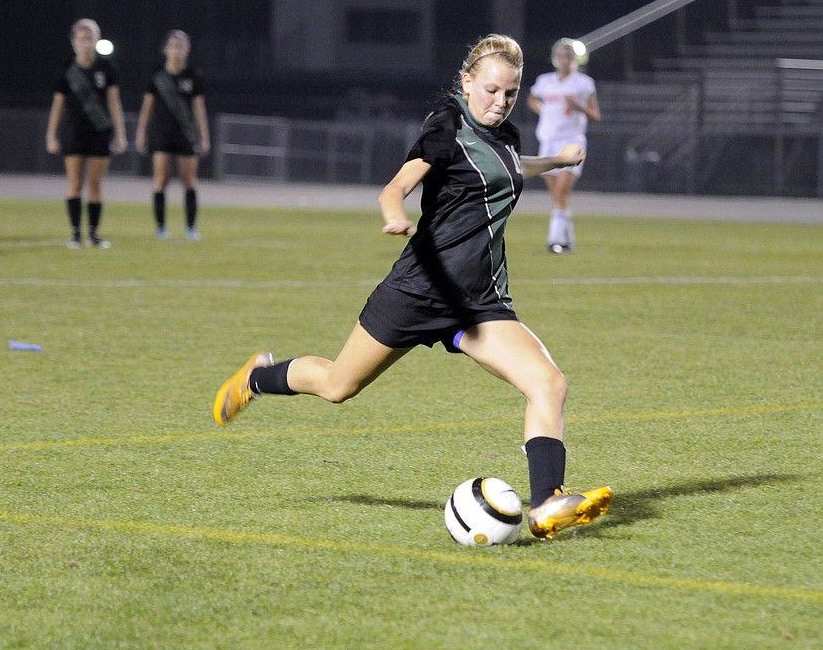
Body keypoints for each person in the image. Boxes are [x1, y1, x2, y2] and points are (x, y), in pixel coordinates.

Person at [212, 34, 612, 540]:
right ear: (467, 82)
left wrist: (556, 160)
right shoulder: (446, 126)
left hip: (478, 303)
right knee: (338, 386)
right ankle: (257, 378)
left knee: (548, 383)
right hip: (418, 291)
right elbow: (397, 186)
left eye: (510, 93)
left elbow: (510, 166)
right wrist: (393, 214)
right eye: (491, 90)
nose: (500, 102)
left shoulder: (505, 135)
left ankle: (548, 504)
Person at [45, 19, 127, 248]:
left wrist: (120, 134)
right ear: (74, 42)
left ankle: (93, 234)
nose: (87, 43)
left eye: (90, 39)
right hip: (74, 132)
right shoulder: (66, 70)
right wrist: (51, 135)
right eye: (82, 39)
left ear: (96, 40)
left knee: (95, 185)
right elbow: (57, 105)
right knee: (74, 184)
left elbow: (114, 103)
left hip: (99, 131)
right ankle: (75, 235)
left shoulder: (107, 68)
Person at [135, 29, 210, 240]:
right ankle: (160, 228)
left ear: (187, 50)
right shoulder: (157, 76)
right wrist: (141, 133)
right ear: (166, 49)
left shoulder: (193, 76)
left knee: (189, 180)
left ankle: (191, 228)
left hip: (186, 134)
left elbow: (199, 108)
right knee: (161, 180)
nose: (176, 50)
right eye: (173, 46)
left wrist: (204, 137)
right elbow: (147, 107)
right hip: (161, 133)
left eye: (181, 46)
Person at [527, 38, 600, 254]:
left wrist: (578, 106)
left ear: (575, 59)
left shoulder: (584, 83)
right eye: (562, 55)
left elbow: (595, 114)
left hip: (572, 142)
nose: (565, 59)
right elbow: (531, 99)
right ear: (555, 58)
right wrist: (545, 112)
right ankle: (567, 242)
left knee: (562, 190)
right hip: (548, 141)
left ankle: (555, 241)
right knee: (558, 196)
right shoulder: (545, 81)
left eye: (569, 56)